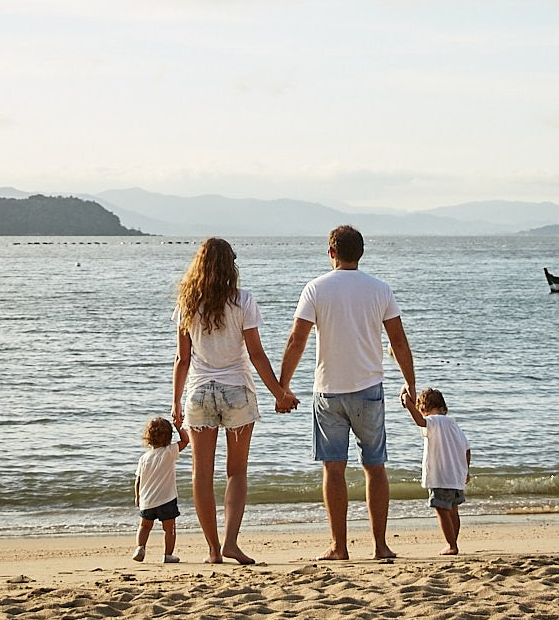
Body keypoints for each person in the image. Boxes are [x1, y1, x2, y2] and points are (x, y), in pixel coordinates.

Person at [276, 224, 415, 562]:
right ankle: (380, 546)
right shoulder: (379, 289)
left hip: (329, 391)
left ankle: (339, 547)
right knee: (375, 466)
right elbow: (398, 341)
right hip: (369, 388)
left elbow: (297, 339)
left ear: (331, 253)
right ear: (361, 253)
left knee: (333, 469)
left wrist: (282, 386)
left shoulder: (316, 288)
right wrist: (411, 383)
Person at [173, 236, 299, 565]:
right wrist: (280, 394)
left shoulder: (188, 305)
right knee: (236, 472)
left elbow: (182, 360)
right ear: (231, 265)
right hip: (237, 392)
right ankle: (230, 542)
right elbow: (256, 354)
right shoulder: (243, 301)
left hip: (199, 393)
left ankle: (213, 550)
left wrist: (175, 404)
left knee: (201, 474)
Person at [401, 386, 470, 554]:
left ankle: (451, 545)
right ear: (443, 407)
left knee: (441, 509)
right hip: (456, 476)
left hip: (440, 476)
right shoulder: (454, 424)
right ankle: (453, 541)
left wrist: (408, 404)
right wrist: (466, 471)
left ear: (424, 410)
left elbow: (420, 421)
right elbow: (467, 449)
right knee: (453, 510)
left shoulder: (433, 421)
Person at [132, 416, 184, 563]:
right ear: (169, 436)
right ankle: (168, 555)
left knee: (144, 526)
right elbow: (186, 441)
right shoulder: (170, 451)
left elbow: (138, 480)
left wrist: (137, 497)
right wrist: (179, 427)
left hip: (147, 500)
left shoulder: (144, 458)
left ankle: (140, 547)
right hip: (166, 499)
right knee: (169, 528)